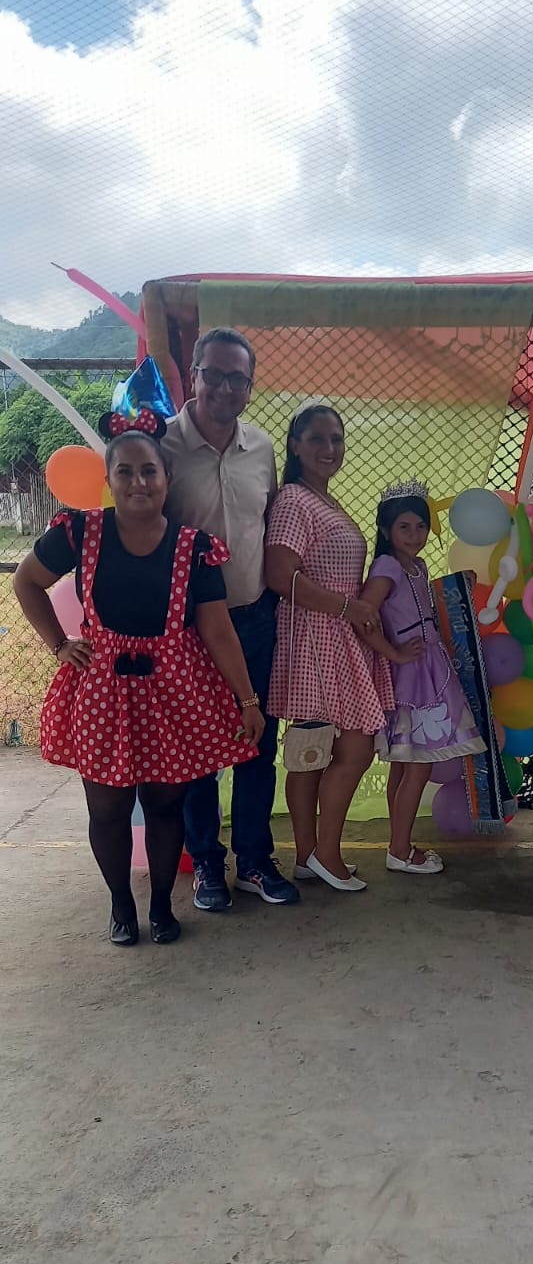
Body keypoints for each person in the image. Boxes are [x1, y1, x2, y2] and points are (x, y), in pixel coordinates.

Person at [13, 412, 265, 946]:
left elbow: (218, 630)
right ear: (109, 478)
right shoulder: (80, 532)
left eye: (149, 471)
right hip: (101, 692)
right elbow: (26, 582)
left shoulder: (195, 548)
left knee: (165, 804)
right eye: (124, 472)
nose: (138, 482)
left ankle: (161, 906)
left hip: (173, 693)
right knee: (106, 808)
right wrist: (60, 644)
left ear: (167, 478)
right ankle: (121, 905)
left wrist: (247, 700)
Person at [162, 327, 299, 910]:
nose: (224, 388)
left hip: (256, 617)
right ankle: (206, 864)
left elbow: (266, 526)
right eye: (213, 375)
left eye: (237, 378)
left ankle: (255, 861)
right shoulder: (161, 447)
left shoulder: (262, 448)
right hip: (189, 629)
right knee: (198, 750)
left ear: (250, 385)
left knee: (257, 742)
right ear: (194, 375)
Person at [264, 404, 392, 892]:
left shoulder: (325, 500)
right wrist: (346, 608)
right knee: (322, 749)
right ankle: (321, 854)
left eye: (336, 438)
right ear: (295, 445)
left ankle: (310, 856)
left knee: (330, 748)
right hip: (315, 638)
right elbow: (281, 576)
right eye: (317, 438)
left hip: (339, 636)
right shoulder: (294, 500)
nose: (329, 448)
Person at [360, 482, 486, 874]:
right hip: (411, 676)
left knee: (405, 763)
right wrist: (395, 652)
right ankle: (399, 851)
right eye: (404, 527)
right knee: (417, 765)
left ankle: (399, 843)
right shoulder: (386, 567)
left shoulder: (417, 566)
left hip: (431, 667)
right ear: (385, 530)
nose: (414, 535)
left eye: (421, 526)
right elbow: (364, 615)